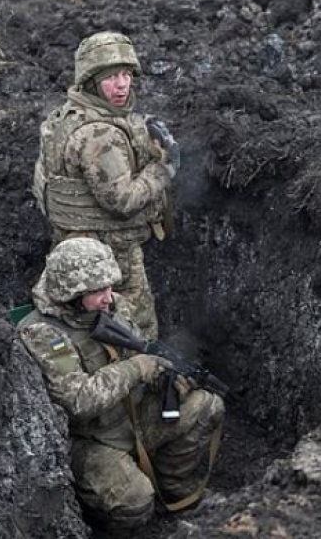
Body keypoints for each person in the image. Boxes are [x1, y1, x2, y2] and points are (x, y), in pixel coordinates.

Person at [15, 238, 224, 533]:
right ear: (70, 292)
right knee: (134, 503)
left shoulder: (112, 308)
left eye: (109, 287)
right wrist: (137, 369)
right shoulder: (45, 334)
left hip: (131, 416)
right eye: (97, 291)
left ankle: (175, 489)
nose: (108, 298)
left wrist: (166, 378)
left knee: (206, 406)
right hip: (91, 439)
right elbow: (78, 402)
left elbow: (142, 349)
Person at [32, 31, 179, 340]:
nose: (123, 84)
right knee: (138, 330)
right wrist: (163, 169)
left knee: (83, 327)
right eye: (111, 77)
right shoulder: (100, 135)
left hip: (71, 247)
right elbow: (123, 201)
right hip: (111, 254)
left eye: (126, 74)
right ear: (92, 81)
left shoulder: (64, 118)